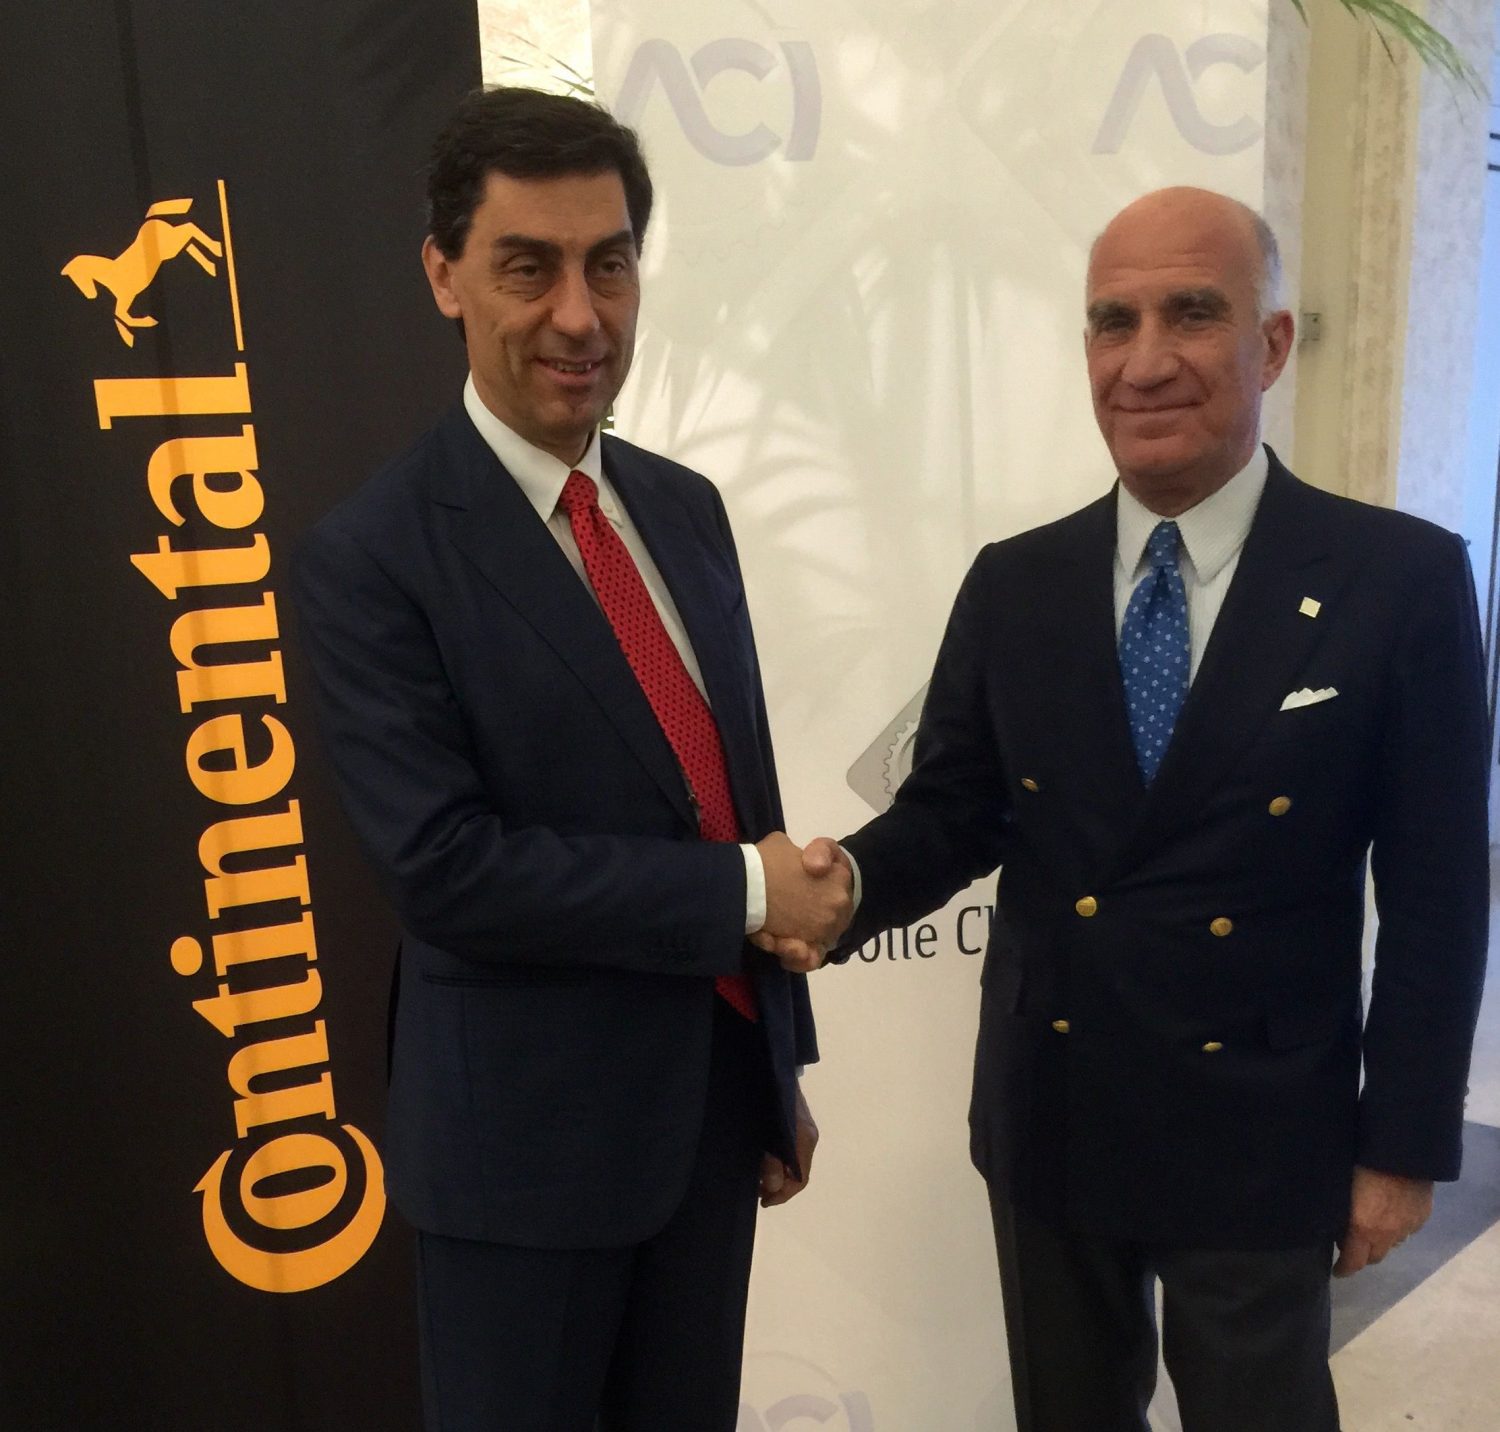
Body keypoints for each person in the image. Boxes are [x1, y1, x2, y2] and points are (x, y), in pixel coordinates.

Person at [759, 187, 1490, 1430]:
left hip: (1263, 1119)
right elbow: (955, 811)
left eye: (1191, 314)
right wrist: (844, 889)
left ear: (1270, 344)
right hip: (1055, 1106)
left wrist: (1402, 1145)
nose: (1144, 361)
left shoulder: (1400, 579)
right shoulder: (1016, 584)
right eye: (1113, 321)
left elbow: (1436, 895)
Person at [293, 86, 851, 1432]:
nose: (580, 315)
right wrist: (749, 892)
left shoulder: (683, 508)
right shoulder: (372, 556)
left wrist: (773, 1068)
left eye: (609, 265)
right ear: (445, 276)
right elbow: (449, 871)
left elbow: (728, 789)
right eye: (526, 268)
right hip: (519, 1169)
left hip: (706, 1129)